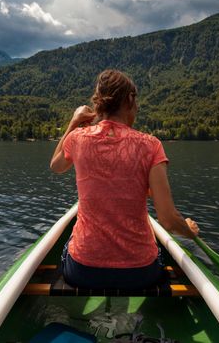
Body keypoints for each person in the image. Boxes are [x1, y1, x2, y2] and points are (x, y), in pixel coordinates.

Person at [50, 69, 199, 290]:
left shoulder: (78, 138)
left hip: (83, 271)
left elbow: (57, 166)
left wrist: (73, 122)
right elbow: (167, 220)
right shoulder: (150, 145)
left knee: (68, 246)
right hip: (139, 274)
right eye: (136, 101)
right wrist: (189, 231)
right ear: (130, 99)